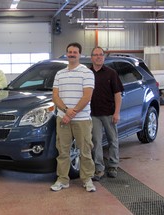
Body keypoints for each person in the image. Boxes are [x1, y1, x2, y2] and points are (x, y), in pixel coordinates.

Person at [51, 42, 96, 192]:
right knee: (63, 151)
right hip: (62, 118)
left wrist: (72, 112)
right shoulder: (59, 74)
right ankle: (63, 180)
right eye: (69, 52)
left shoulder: (87, 73)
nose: (71, 54)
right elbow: (55, 95)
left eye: (74, 52)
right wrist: (65, 110)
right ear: (66, 54)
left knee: (85, 150)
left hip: (82, 119)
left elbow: (87, 95)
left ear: (80, 55)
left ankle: (87, 179)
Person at [90, 46, 124, 180]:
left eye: (101, 55)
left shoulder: (111, 73)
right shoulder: (87, 74)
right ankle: (99, 169)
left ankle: (113, 166)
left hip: (109, 113)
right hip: (93, 115)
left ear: (103, 57)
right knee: (96, 142)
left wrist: (117, 113)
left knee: (113, 140)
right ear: (91, 57)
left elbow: (118, 95)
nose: (98, 57)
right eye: (96, 55)